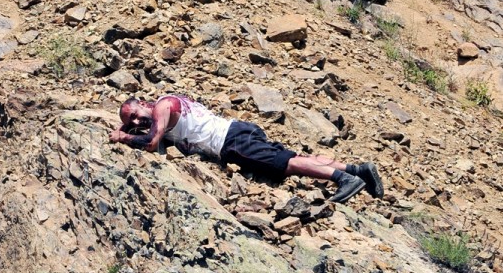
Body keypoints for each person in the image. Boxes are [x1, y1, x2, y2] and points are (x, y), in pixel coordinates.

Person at [110, 95, 384, 204]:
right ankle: (358, 170)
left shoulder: (162, 107)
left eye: (134, 114)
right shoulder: (169, 106)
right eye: (130, 122)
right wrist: (132, 129)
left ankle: (343, 180)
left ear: (143, 102)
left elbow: (151, 143)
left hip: (230, 141)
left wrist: (122, 137)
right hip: (237, 130)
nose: (136, 121)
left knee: (285, 164)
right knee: (293, 157)